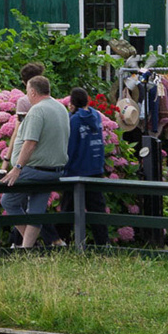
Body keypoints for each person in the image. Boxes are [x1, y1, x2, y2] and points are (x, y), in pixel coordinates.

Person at [3, 75, 70, 249]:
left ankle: (30, 245)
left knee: (8, 202)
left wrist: (17, 167)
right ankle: (27, 250)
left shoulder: (37, 110)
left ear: (32, 92)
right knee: (36, 212)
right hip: (53, 171)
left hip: (34, 170)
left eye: (27, 92)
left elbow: (31, 142)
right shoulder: (60, 108)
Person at [61, 85, 109, 246]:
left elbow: (70, 147)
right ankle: (103, 243)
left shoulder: (74, 120)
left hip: (75, 170)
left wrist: (64, 166)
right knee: (97, 208)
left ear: (72, 103)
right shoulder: (96, 116)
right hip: (95, 168)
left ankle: (64, 241)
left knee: (68, 208)